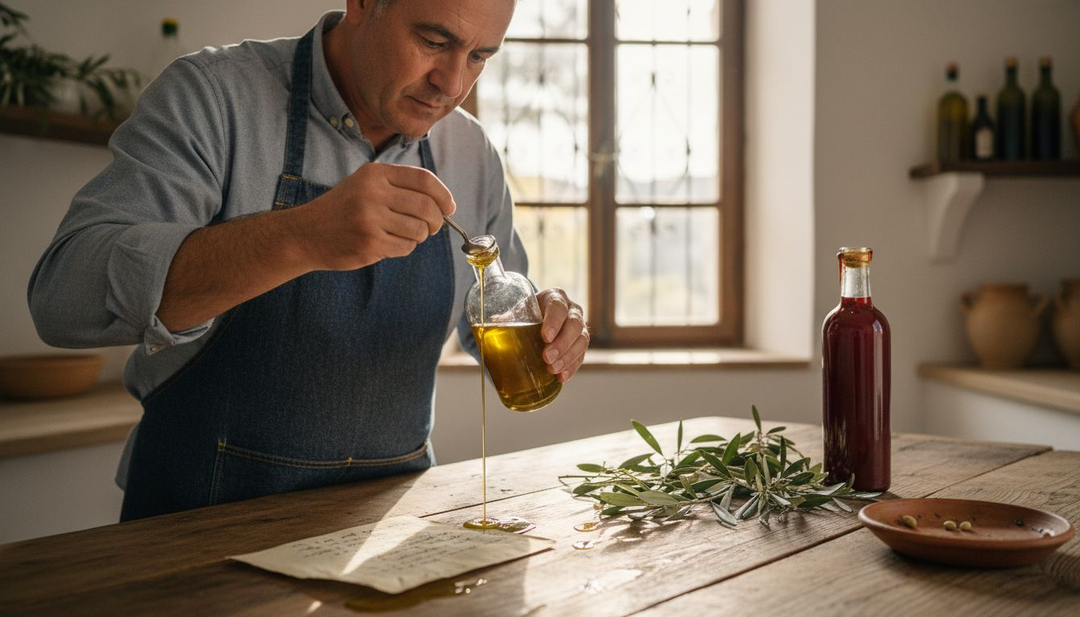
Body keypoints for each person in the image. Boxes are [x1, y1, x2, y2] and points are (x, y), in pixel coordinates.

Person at [27, 0, 589, 521]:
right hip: (196, 529)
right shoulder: (213, 97)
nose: (453, 83)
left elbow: (495, 310)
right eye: (434, 41)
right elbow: (60, 299)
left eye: (479, 57)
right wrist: (300, 236)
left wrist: (548, 322)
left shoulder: (471, 153)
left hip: (383, 534)